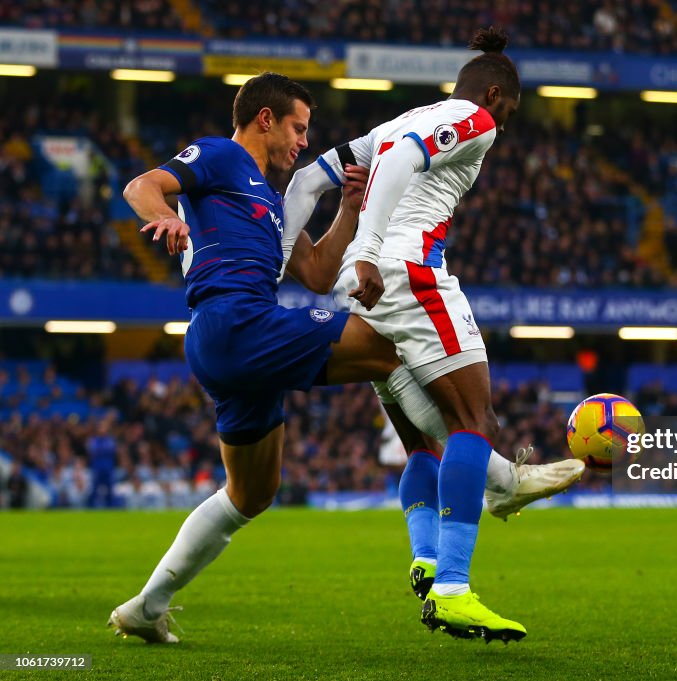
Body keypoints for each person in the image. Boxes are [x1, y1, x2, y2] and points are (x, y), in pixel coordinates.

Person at [109, 72, 404, 644]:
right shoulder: (220, 156)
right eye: (298, 128)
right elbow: (142, 185)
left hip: (236, 340)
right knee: (385, 346)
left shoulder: (270, 200)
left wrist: (347, 209)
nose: (303, 142)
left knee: (253, 492)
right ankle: (486, 473)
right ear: (265, 119)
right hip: (234, 322)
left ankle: (148, 605)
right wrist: (165, 214)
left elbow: (318, 275)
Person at [282, 26, 528, 642]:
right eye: (512, 111)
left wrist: (279, 256)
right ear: (495, 96)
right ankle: (452, 589)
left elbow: (306, 183)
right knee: (476, 423)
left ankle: (425, 557)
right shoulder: (475, 119)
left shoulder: (394, 123)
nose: (507, 123)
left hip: (361, 288)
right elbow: (398, 163)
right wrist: (366, 247)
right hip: (406, 271)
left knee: (422, 439)